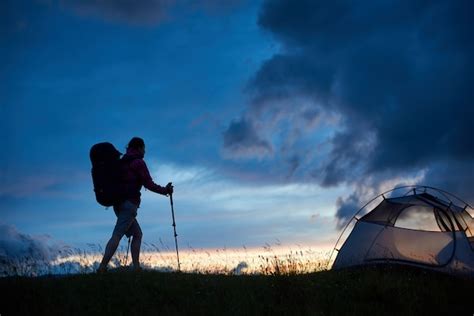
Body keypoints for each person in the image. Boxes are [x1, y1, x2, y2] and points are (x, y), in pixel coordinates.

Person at [97, 137, 173, 272]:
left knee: (137, 234)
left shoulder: (122, 162)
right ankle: (102, 267)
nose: (145, 151)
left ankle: (136, 267)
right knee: (117, 234)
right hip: (129, 204)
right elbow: (149, 184)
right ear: (139, 148)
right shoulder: (138, 163)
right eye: (144, 148)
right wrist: (165, 191)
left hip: (118, 204)